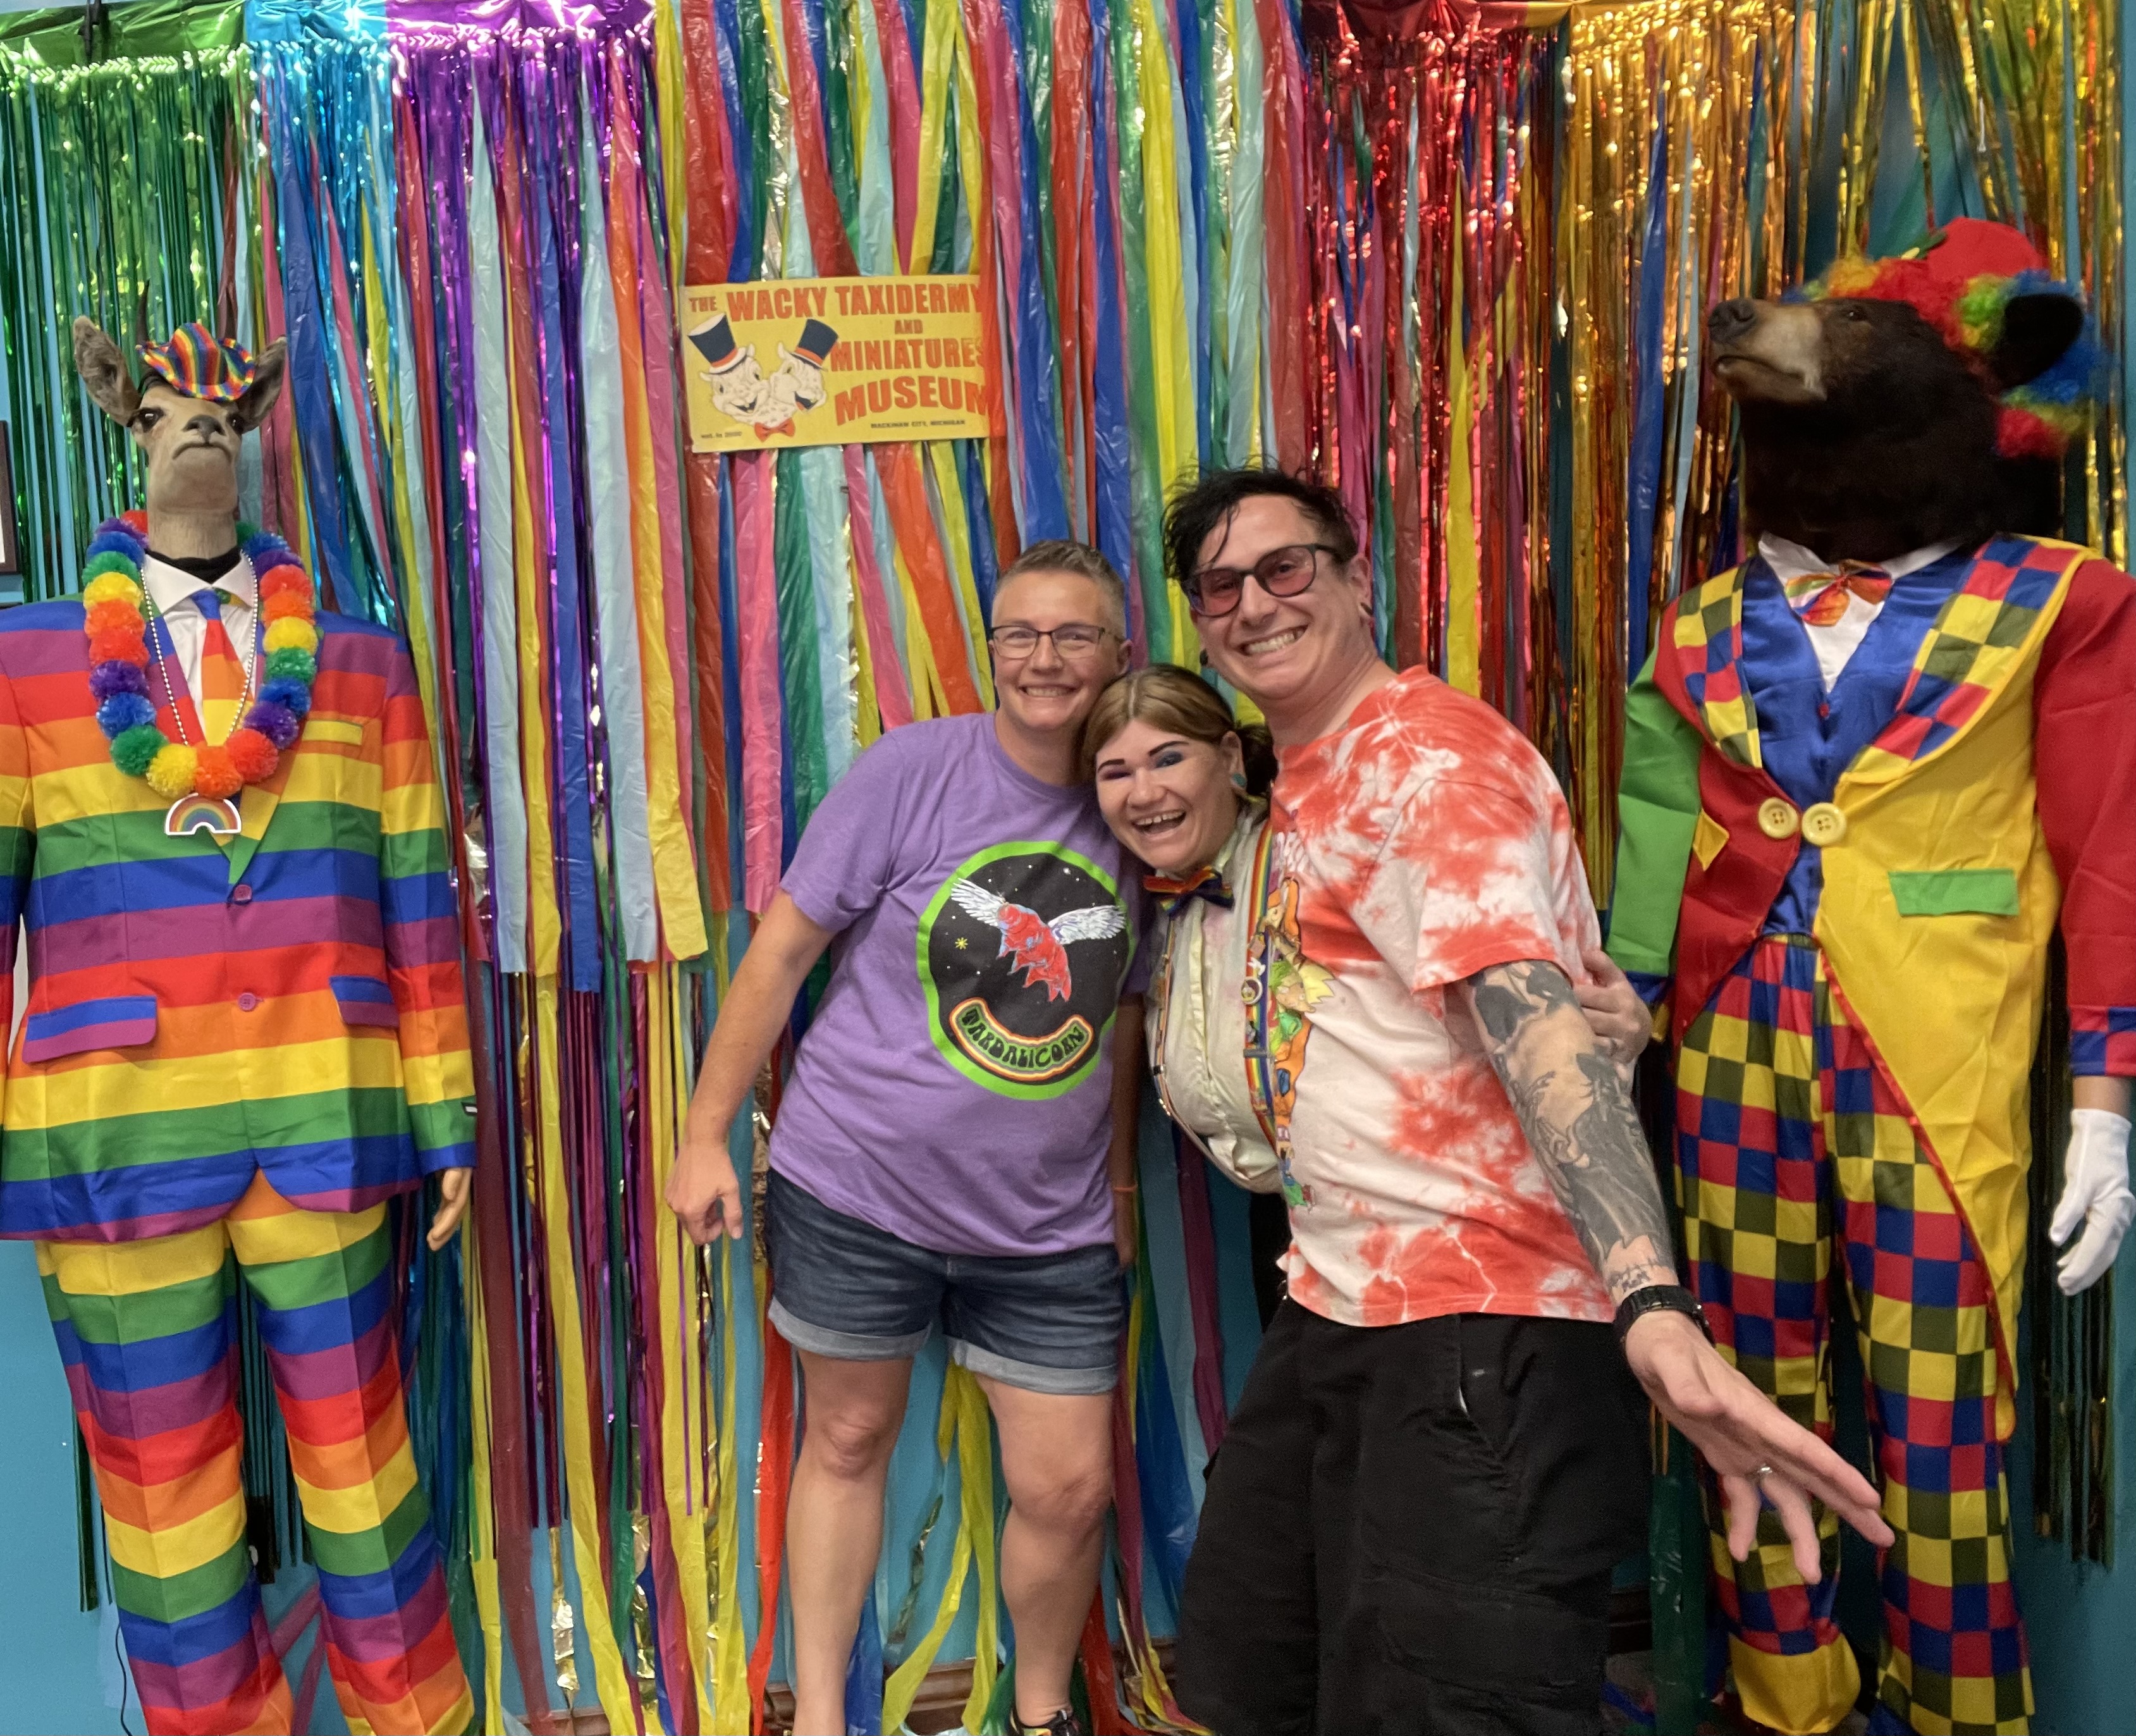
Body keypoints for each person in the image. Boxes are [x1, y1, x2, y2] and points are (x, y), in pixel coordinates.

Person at [1153, 467, 1894, 1736]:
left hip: (1482, 1325)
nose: (1254, 603)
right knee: (1255, 1669)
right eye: (1220, 584)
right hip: (1343, 1303)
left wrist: (1651, 1299)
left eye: (1286, 566)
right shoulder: (1311, 772)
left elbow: (1538, 1027)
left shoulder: (1424, 764)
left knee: (1452, 1708)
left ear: (1352, 573)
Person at [663, 541, 1146, 1736]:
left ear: (1118, 656)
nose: (1043, 660)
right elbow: (781, 954)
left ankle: (1041, 1715)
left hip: (1048, 1226)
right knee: (846, 1436)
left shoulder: (1146, 793)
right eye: (1018, 635)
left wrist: (1122, 1178)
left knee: (1069, 1486)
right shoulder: (910, 771)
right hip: (856, 1188)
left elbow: (1129, 1005)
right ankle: (824, 1719)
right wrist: (702, 1133)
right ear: (990, 650)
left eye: (1072, 636)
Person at [1079, 663, 1654, 1327]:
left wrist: (1616, 1026)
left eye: (1168, 758)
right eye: (1115, 772)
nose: (1144, 791)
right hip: (1301, 1228)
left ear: (1231, 756)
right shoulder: (1147, 907)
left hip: (1448, 1237)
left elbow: (1493, 964)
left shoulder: (1315, 853)